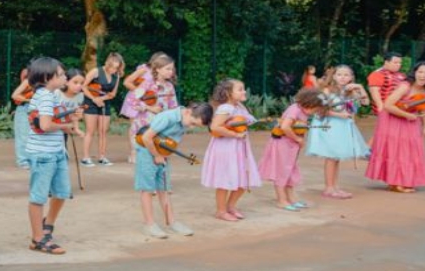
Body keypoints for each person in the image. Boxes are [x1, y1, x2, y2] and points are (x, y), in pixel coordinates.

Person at [25, 57, 82, 255]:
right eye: (61, 74)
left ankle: (46, 226)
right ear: (48, 77)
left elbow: (55, 116)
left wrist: (71, 117)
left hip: (56, 151)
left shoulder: (50, 94)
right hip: (43, 154)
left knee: (62, 192)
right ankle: (38, 238)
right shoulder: (46, 96)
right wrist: (67, 126)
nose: (65, 76)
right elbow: (46, 125)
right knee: (38, 197)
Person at [136, 103, 212, 239]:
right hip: (147, 151)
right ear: (188, 112)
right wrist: (156, 155)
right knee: (147, 189)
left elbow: (169, 141)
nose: (191, 127)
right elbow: (146, 137)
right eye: (193, 123)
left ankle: (171, 222)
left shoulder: (185, 121)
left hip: (161, 153)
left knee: (164, 188)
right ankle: (149, 224)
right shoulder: (168, 117)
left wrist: (164, 154)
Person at [365, 61, 425, 193]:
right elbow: (388, 105)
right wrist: (406, 115)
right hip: (392, 118)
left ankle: (403, 180)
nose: (422, 75)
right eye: (420, 72)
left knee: (410, 150)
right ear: (415, 73)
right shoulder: (405, 86)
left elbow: (423, 109)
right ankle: (394, 183)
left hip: (410, 119)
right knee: (396, 149)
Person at [201, 79, 262, 222]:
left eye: (244, 88)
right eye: (240, 89)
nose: (244, 91)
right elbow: (215, 127)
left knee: (243, 179)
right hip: (226, 148)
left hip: (239, 148)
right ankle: (221, 211)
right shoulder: (226, 108)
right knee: (225, 179)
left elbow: (245, 121)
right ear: (229, 93)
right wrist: (235, 134)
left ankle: (231, 206)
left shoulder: (239, 106)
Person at [305, 65, 370, 199]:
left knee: (337, 157)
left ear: (351, 78)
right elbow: (319, 109)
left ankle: (334, 186)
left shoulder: (351, 91)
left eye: (346, 75)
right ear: (334, 76)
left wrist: (360, 88)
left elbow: (365, 102)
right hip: (330, 125)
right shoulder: (327, 91)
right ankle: (329, 188)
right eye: (340, 74)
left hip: (343, 126)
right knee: (331, 156)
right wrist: (339, 115)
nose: (343, 77)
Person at [257, 88, 326, 212]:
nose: (314, 112)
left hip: (291, 145)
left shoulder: (302, 110)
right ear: (309, 103)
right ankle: (281, 200)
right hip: (282, 143)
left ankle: (291, 197)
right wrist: (297, 139)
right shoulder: (294, 110)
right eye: (315, 109)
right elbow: (285, 127)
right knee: (282, 171)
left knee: (290, 169)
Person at [127, 54, 178, 169]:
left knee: (160, 154)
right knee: (146, 157)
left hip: (161, 125)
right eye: (168, 69)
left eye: (172, 69)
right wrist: (150, 108)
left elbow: (173, 106)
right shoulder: (147, 83)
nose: (171, 72)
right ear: (158, 69)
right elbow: (132, 100)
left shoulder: (170, 86)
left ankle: (159, 183)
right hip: (144, 124)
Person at [81, 53, 124, 166]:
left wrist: (102, 98)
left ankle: (102, 157)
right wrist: (94, 99)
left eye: (117, 67)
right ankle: (85, 158)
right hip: (91, 102)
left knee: (103, 131)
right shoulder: (96, 71)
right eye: (112, 67)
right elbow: (83, 86)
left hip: (105, 103)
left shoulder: (117, 76)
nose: (114, 69)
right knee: (90, 131)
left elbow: (113, 93)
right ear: (108, 63)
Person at [121, 54, 159, 163]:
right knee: (134, 127)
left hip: (149, 103)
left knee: (147, 127)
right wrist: (142, 93)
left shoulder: (159, 73)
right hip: (136, 100)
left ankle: (145, 152)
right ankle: (133, 153)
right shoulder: (143, 69)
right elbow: (127, 82)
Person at [367, 52, 406, 143]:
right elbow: (374, 91)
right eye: (395, 62)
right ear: (386, 62)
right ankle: (368, 149)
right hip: (385, 108)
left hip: (398, 108)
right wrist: (380, 107)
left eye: (400, 63)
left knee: (391, 131)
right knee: (383, 131)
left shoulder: (401, 75)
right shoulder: (377, 74)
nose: (398, 65)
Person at [11, 68, 32, 169]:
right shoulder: (27, 79)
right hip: (24, 107)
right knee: (23, 136)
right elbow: (15, 96)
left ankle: (31, 159)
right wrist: (29, 100)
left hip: (34, 109)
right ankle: (23, 160)